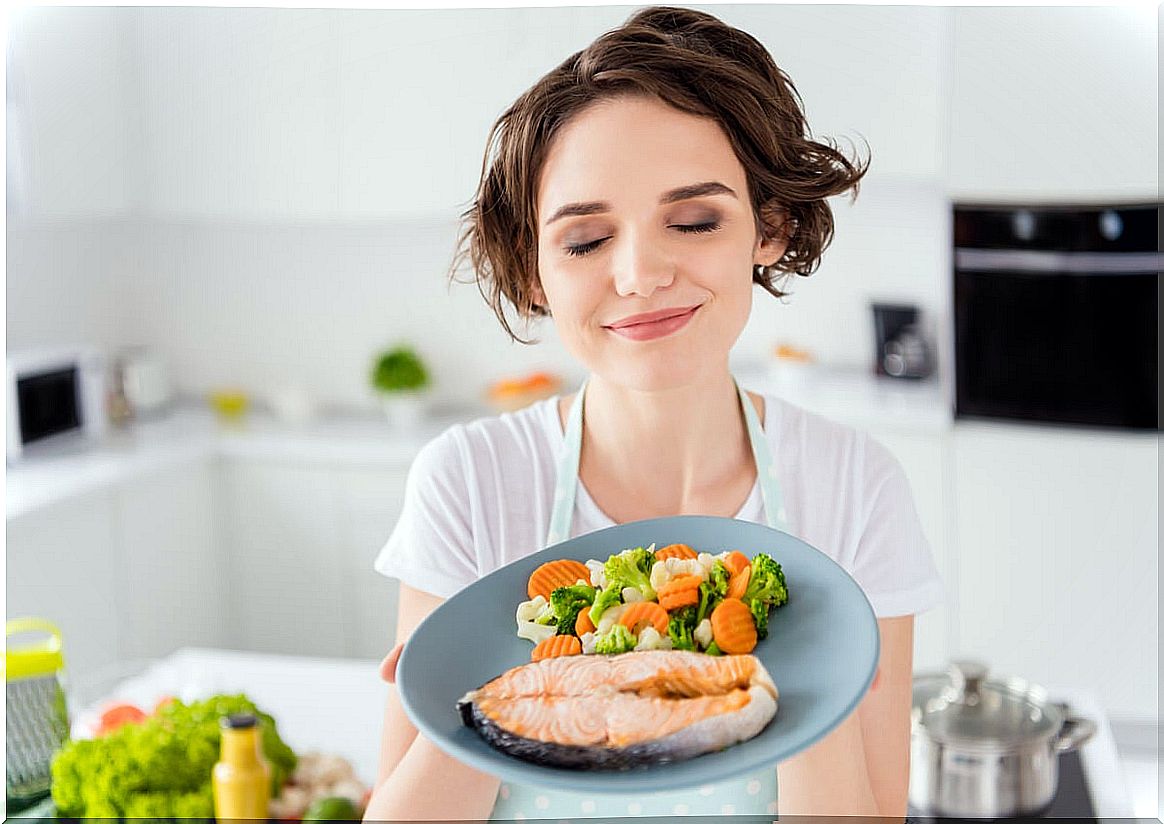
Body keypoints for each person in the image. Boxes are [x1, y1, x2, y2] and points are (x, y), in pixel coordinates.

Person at [365, 5, 944, 821]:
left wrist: (812, 673)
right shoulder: (471, 481)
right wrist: (483, 701)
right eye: (584, 241)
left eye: (694, 221)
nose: (639, 274)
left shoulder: (854, 485)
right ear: (534, 273)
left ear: (768, 225)